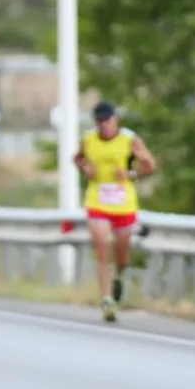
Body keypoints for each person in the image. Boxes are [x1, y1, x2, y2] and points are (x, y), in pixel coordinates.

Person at [73, 101, 157, 323]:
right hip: (97, 201)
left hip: (123, 203)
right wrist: (85, 169)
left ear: (115, 119)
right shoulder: (88, 138)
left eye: (108, 120)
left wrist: (130, 174)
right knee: (102, 246)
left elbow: (150, 165)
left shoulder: (129, 139)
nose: (104, 125)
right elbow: (78, 158)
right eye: (100, 121)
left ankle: (118, 276)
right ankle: (107, 300)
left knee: (121, 254)